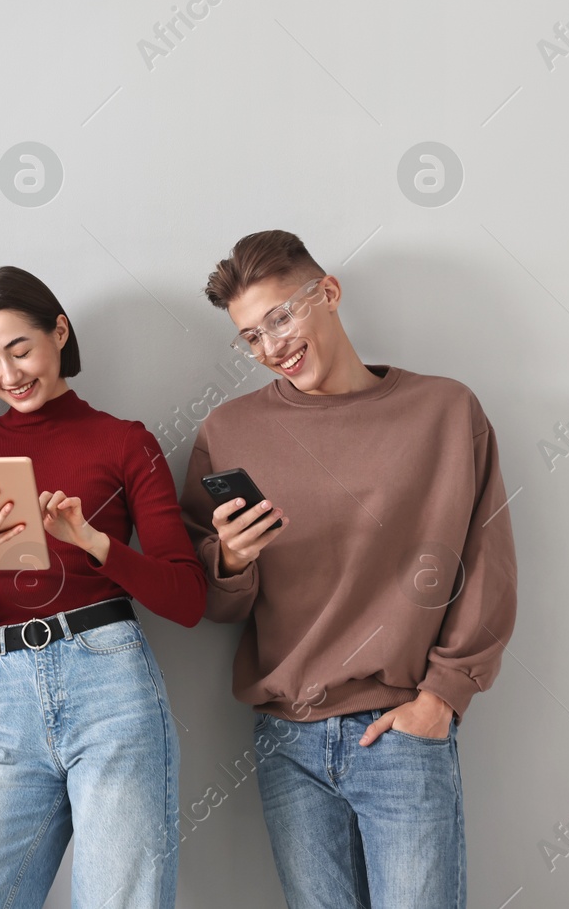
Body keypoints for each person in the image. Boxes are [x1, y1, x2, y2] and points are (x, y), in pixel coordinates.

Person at [180, 229, 518, 909]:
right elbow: (214, 601)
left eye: (281, 317)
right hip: (286, 739)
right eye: (250, 336)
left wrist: (442, 697)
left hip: (401, 727)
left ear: (327, 293)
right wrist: (233, 559)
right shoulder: (227, 431)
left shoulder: (446, 412)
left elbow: (488, 564)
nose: (271, 346)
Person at [0, 267, 206, 909]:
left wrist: (95, 544)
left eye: (20, 350)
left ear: (59, 332)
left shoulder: (126, 443)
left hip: (111, 687)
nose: (8, 374)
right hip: (4, 703)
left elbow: (187, 600)